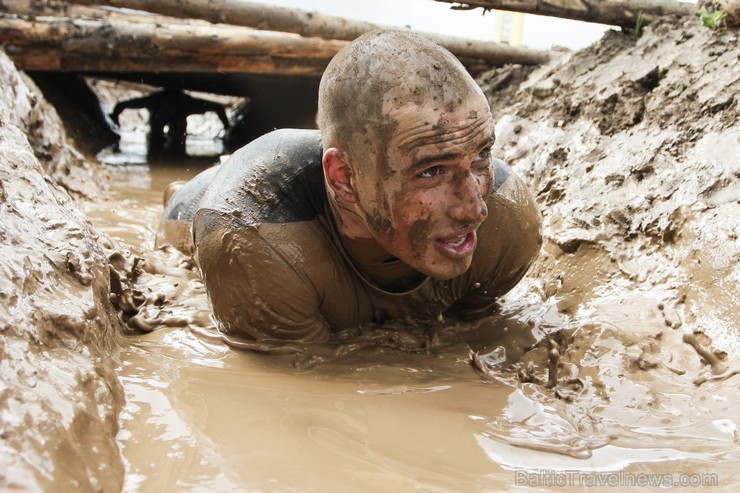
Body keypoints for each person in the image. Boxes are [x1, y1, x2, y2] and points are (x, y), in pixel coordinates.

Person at [157, 30, 542, 345]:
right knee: (183, 199)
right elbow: (301, 391)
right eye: (431, 172)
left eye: (481, 156)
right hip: (217, 198)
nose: (475, 209)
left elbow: (466, 332)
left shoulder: (509, 226)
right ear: (344, 179)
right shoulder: (250, 234)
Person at [109, 87, 230, 156]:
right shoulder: (157, 100)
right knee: (161, 135)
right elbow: (218, 108)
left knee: (174, 134)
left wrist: (227, 128)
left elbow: (121, 106)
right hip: (163, 116)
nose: (170, 110)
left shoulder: (183, 103)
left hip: (168, 115)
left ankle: (166, 148)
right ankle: (165, 149)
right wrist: (227, 127)